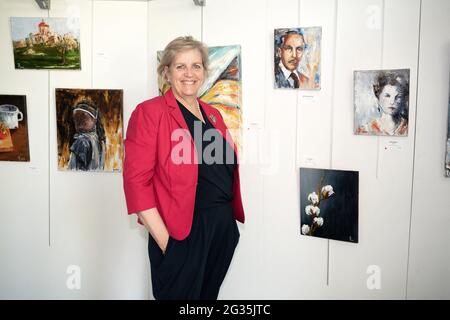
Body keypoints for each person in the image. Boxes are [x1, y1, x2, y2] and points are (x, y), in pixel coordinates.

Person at [123, 36, 245, 300]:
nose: (189, 74)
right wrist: (169, 245)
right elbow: (136, 183)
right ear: (166, 72)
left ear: (204, 71)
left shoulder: (213, 114)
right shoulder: (150, 113)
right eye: (180, 66)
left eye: (196, 66)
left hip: (221, 230)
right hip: (183, 234)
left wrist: (228, 228)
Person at [357, 72, 409, 136]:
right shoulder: (366, 130)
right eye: (387, 96)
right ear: (378, 98)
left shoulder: (408, 127)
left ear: (403, 99)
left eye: (398, 97)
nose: (392, 102)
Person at [68, 100, 106, 170]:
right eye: (76, 120)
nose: (79, 123)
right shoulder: (100, 141)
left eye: (84, 119)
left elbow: (75, 169)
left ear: (94, 120)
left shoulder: (82, 141)